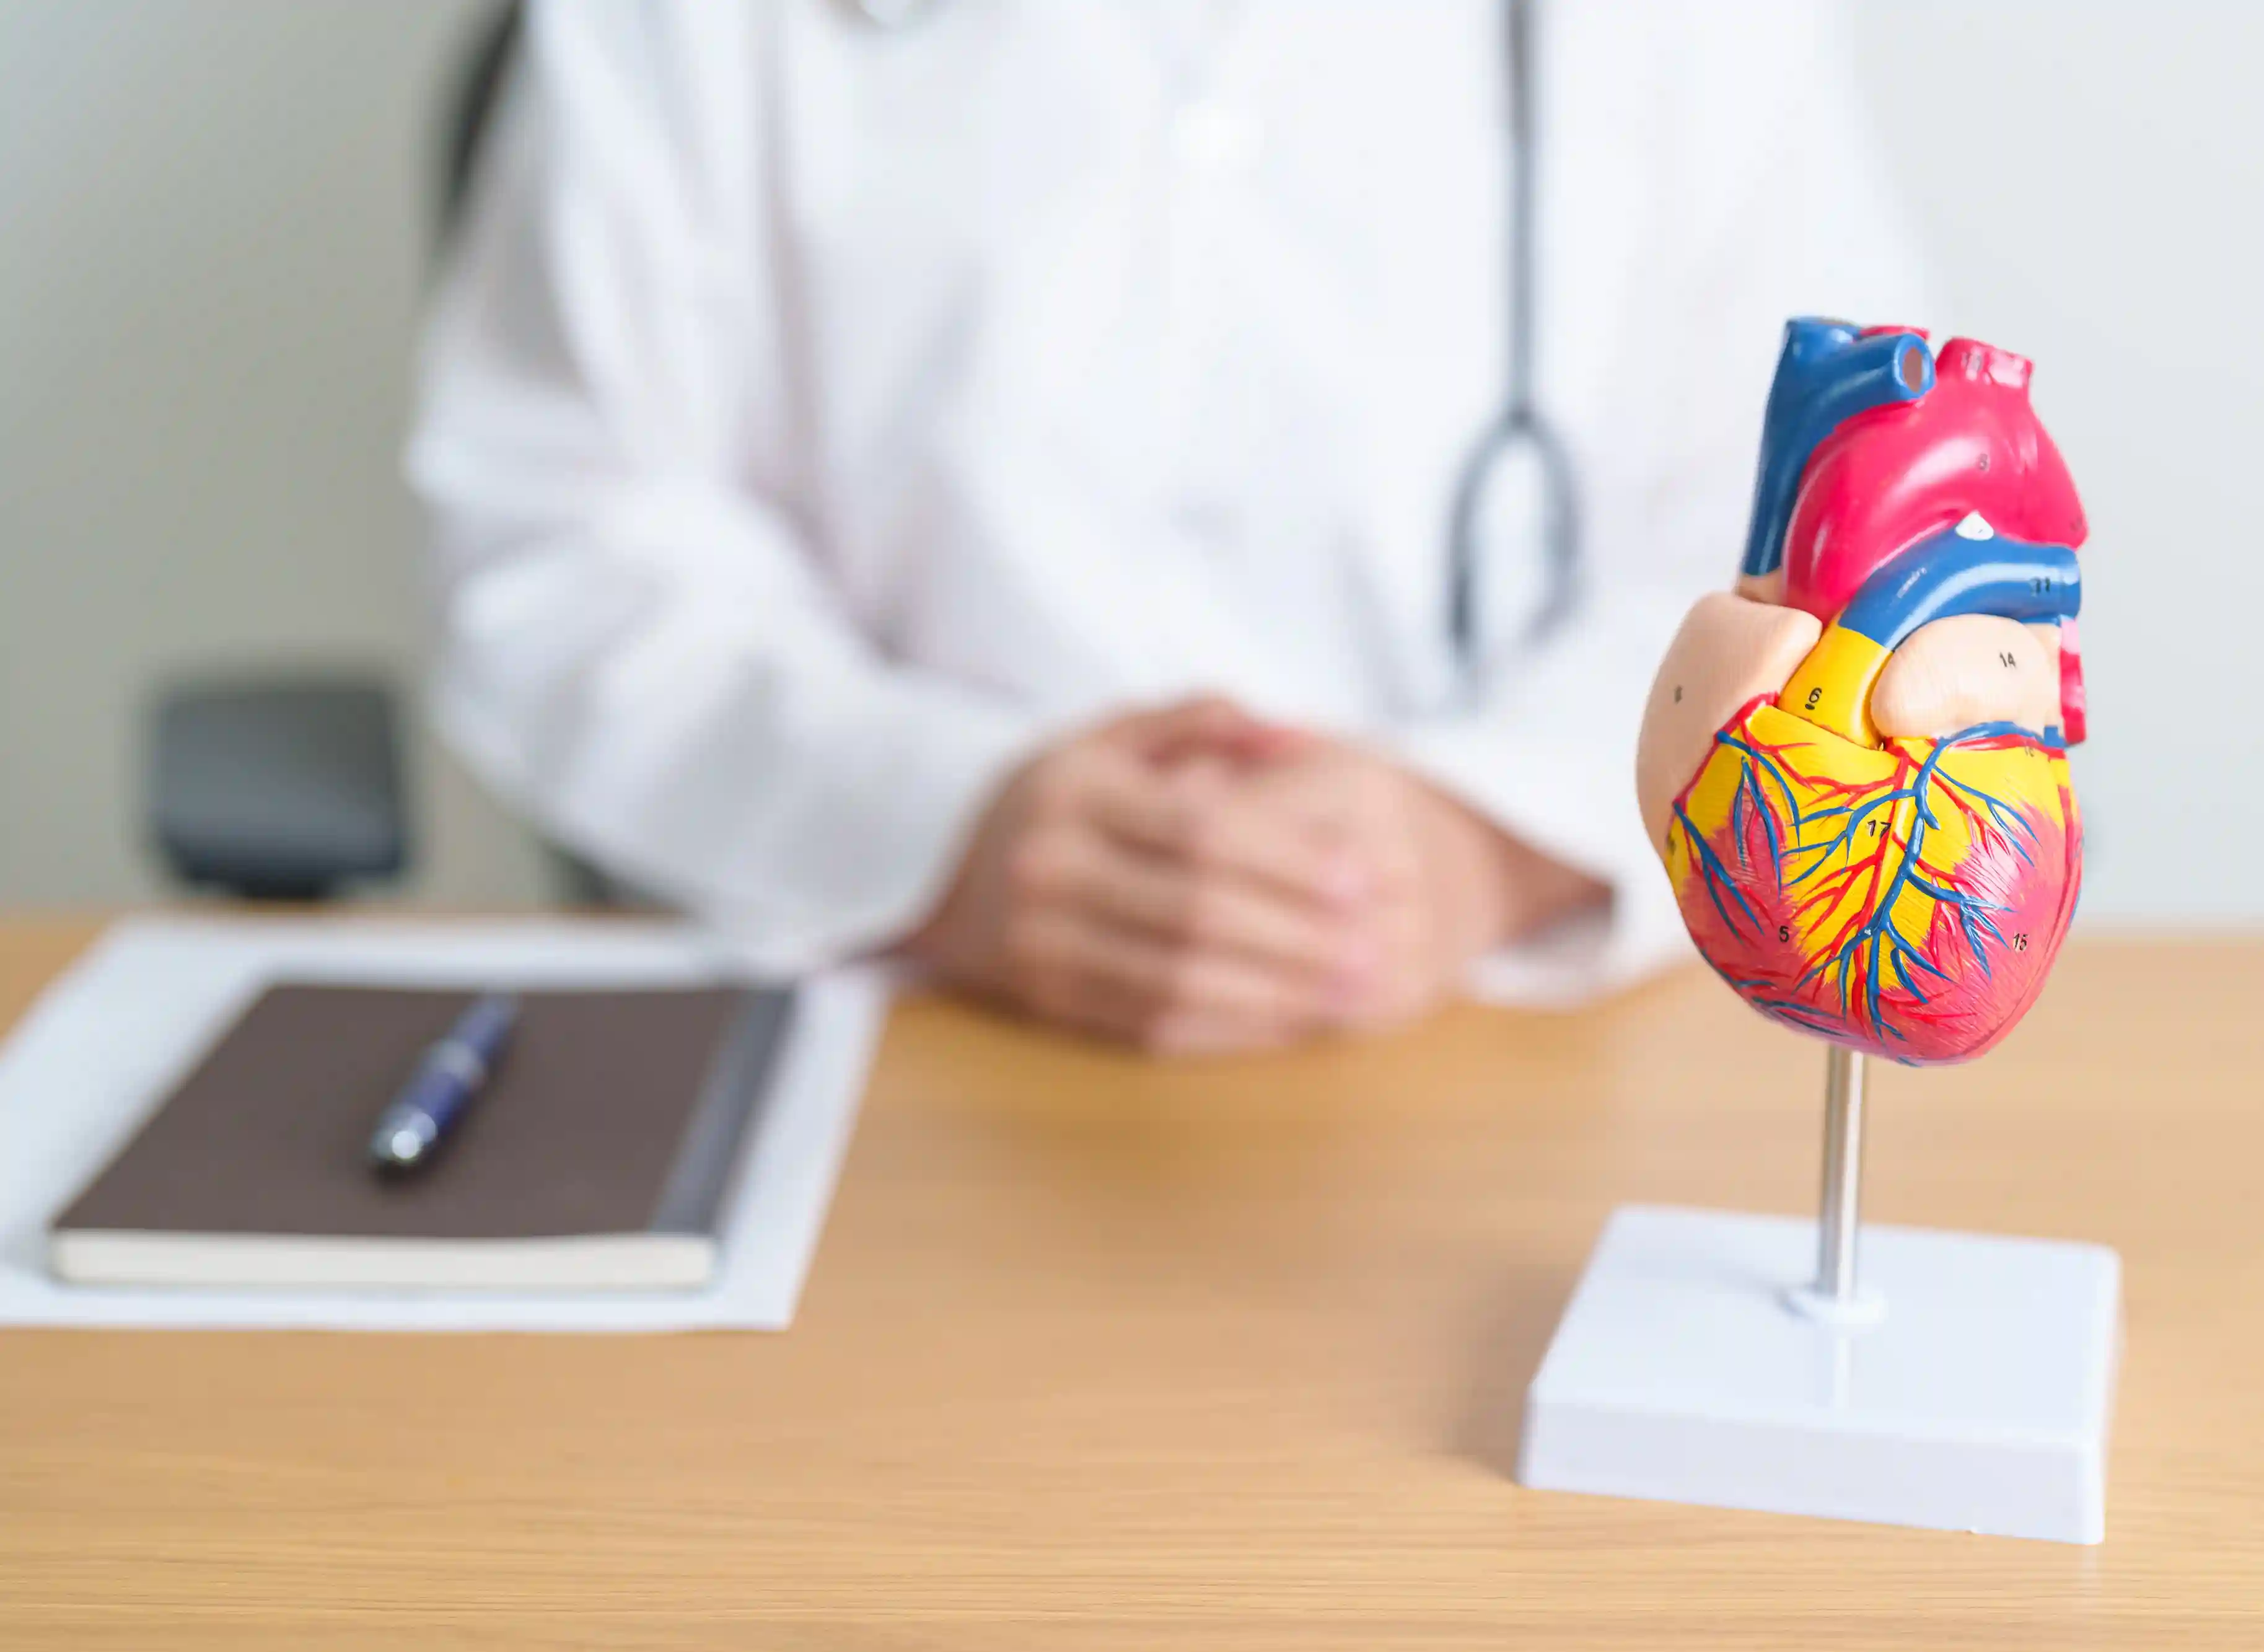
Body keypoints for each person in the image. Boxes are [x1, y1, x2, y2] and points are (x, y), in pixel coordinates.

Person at [408, 0, 1925, 1053]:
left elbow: (1832, 544)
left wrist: (1480, 842)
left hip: (1524, 1055)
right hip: (888, 1040)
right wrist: (941, 823)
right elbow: (565, 526)